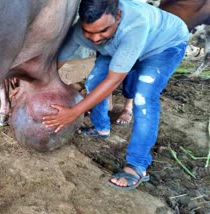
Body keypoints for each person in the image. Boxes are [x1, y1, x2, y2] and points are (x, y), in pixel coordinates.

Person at [42, 0, 189, 190]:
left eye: (103, 30)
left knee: (143, 98)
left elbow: (113, 81)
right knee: (94, 81)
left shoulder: (135, 24)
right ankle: (101, 127)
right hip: (118, 45)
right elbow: (56, 63)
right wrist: (34, 85)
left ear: (118, 16)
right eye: (89, 32)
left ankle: (138, 165)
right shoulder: (81, 31)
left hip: (163, 46)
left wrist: (74, 112)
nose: (95, 39)